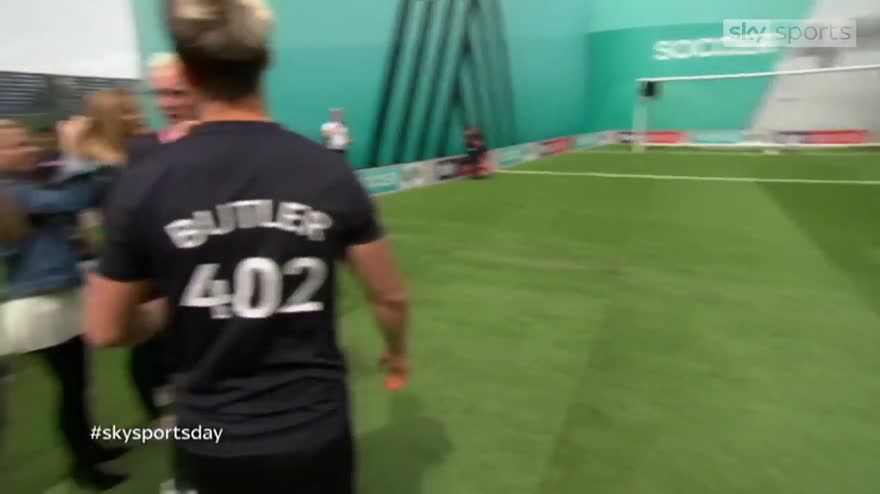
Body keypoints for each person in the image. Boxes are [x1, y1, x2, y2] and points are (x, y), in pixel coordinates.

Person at [84, 1, 409, 494]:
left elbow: (105, 328)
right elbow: (390, 296)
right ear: (267, 60)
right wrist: (397, 353)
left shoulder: (146, 180)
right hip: (315, 430)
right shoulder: (327, 171)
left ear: (188, 73)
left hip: (211, 437)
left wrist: (168, 308)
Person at [0, 119, 128, 491]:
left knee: (79, 385)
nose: (29, 149)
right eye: (15, 145)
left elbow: (92, 190)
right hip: (40, 308)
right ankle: (84, 466)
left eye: (26, 142)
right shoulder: (12, 192)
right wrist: (74, 154)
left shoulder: (24, 188)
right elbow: (74, 199)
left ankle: (91, 451)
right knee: (71, 389)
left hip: (55, 299)